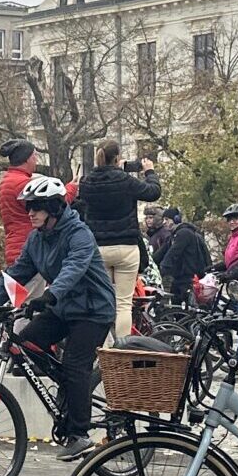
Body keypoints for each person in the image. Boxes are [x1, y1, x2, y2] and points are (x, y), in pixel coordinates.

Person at [3, 175, 111, 460]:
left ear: (53, 207)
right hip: (65, 308)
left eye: (36, 207)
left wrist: (49, 296)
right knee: (23, 343)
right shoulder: (36, 239)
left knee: (76, 365)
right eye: (28, 207)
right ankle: (69, 387)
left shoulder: (79, 234)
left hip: (93, 310)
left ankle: (79, 434)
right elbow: (18, 273)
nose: (30, 213)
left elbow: (73, 269)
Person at [75, 141, 158, 338]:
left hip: (97, 249)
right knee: (123, 304)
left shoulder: (87, 182)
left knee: (101, 302)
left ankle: (103, 347)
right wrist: (149, 172)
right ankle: (120, 351)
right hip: (126, 247)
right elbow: (153, 192)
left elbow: (80, 202)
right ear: (117, 157)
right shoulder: (125, 181)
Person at [0, 137, 42, 294]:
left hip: (14, 248)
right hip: (29, 250)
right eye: (35, 156)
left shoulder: (7, 181)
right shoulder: (24, 184)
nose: (36, 160)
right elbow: (49, 207)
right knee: (30, 305)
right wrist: (71, 189)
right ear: (27, 159)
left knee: (19, 302)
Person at [156, 206, 210, 305]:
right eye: (163, 219)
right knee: (176, 309)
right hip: (178, 278)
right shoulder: (172, 236)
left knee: (185, 311)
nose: (164, 222)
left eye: (167, 219)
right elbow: (159, 254)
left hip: (188, 279)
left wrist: (163, 268)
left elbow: (173, 254)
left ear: (176, 219)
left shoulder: (184, 233)